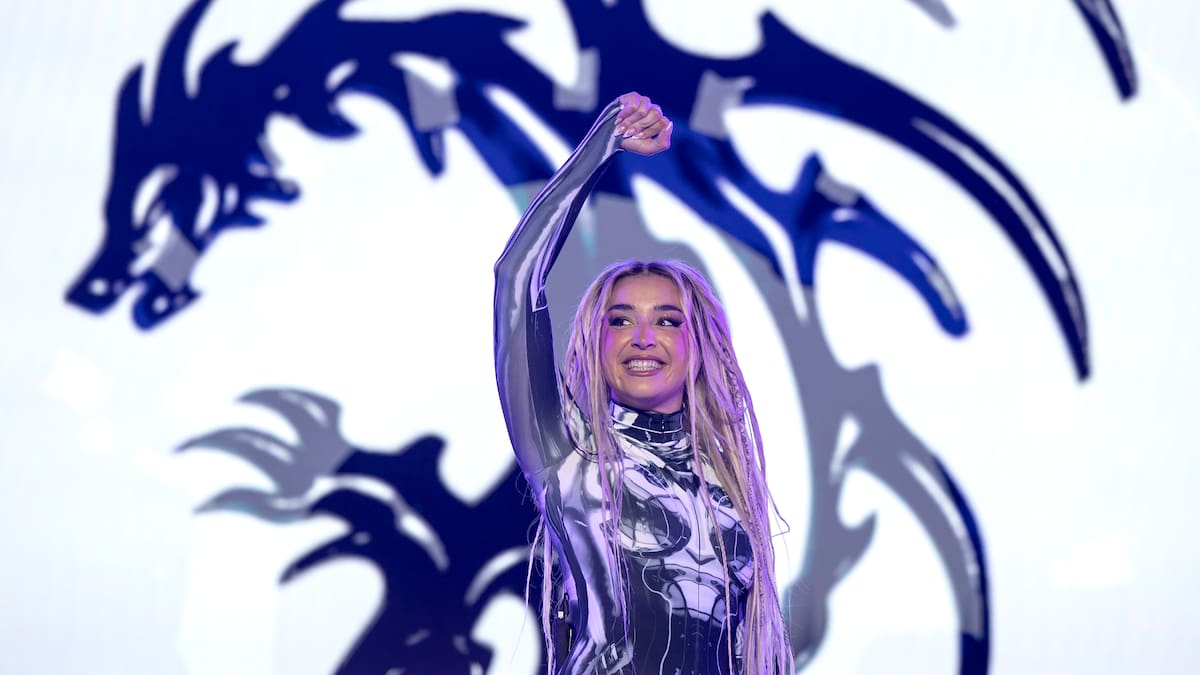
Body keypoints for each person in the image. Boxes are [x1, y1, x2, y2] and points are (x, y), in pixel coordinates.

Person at [494, 92, 792, 675]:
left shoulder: (731, 483)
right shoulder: (569, 453)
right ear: (595, 342)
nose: (644, 338)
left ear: (699, 346)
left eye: (669, 321)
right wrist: (600, 146)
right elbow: (515, 279)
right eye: (621, 320)